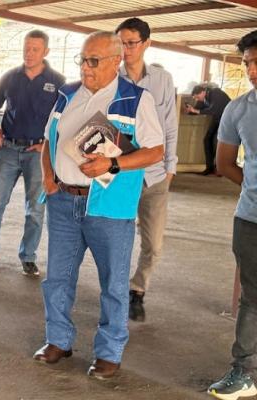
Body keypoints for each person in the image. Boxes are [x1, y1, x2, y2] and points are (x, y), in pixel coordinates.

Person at [33, 31, 164, 379]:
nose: (86, 68)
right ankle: (58, 340)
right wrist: (48, 175)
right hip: (63, 201)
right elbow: (49, 139)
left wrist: (113, 164)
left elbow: (155, 151)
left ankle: (109, 352)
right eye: (82, 59)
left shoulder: (135, 99)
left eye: (93, 61)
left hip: (109, 206)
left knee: (114, 284)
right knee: (57, 278)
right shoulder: (68, 94)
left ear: (115, 61)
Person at [0, 30, 65, 276]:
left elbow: (66, 117)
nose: (29, 53)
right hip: (8, 148)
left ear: (46, 52)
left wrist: (48, 144)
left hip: (38, 154)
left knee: (35, 209)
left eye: (35, 49)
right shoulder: (10, 77)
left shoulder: (58, 81)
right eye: (26, 48)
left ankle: (28, 256)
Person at [114, 17, 179, 322]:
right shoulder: (110, 77)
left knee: (153, 242)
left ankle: (137, 289)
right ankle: (114, 289)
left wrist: (170, 168)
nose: (125, 49)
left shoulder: (162, 80)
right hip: (121, 170)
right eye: (121, 43)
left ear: (146, 44)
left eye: (131, 43)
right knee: (116, 236)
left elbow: (169, 125)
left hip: (154, 174)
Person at [207, 30, 257, 400]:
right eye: (247, 63)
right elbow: (224, 163)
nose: (251, 69)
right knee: (252, 299)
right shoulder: (238, 109)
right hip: (251, 219)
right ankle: (243, 372)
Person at [187, 83, 231, 175]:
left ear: (203, 92)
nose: (197, 99)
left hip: (228, 119)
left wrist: (196, 111)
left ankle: (219, 168)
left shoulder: (216, 93)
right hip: (217, 118)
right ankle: (209, 167)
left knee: (218, 142)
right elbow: (197, 110)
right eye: (195, 98)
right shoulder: (202, 98)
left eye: (197, 97)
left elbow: (214, 110)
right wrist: (190, 110)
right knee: (207, 139)